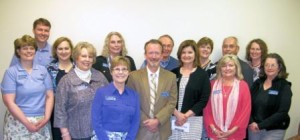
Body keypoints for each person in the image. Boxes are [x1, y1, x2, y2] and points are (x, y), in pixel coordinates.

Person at [1, 35, 54, 139]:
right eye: (25, 48)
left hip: (41, 121)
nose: (29, 51)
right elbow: (9, 102)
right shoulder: (11, 73)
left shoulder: (43, 70)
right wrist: (27, 123)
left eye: (31, 48)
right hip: (18, 122)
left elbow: (50, 96)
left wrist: (47, 117)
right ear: (18, 51)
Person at [54, 42, 109, 139]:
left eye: (90, 56)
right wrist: (65, 134)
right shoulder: (66, 81)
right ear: (76, 57)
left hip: (100, 132)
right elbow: (60, 111)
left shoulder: (100, 77)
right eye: (83, 56)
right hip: (77, 134)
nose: (87, 59)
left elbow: (109, 100)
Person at [127, 39, 177, 140]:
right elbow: (130, 102)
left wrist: (157, 120)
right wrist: (147, 121)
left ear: (162, 55)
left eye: (157, 53)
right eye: (150, 53)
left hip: (161, 129)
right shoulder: (133, 76)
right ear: (145, 55)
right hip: (140, 129)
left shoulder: (171, 77)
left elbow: (172, 102)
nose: (154, 57)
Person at [169, 40, 211, 139]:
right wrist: (177, 114)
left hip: (193, 120)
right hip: (173, 118)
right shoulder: (172, 73)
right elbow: (167, 95)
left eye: (190, 52)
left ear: (195, 54)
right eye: (183, 52)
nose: (186, 55)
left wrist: (185, 116)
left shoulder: (202, 74)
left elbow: (203, 100)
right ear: (179, 55)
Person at [92, 56, 140, 140]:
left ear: (129, 72)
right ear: (111, 72)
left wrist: (129, 138)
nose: (121, 72)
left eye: (124, 69)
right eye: (117, 69)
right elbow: (96, 121)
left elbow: (135, 122)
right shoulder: (101, 93)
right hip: (103, 137)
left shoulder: (134, 95)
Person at [204, 54, 251, 140]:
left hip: (235, 132)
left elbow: (246, 111)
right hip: (215, 132)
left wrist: (232, 130)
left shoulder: (243, 86)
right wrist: (214, 129)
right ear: (220, 69)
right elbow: (207, 109)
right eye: (224, 66)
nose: (227, 68)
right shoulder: (212, 85)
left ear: (236, 68)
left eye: (231, 65)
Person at [248, 53, 292, 140]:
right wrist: (252, 122)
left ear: (279, 67)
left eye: (273, 65)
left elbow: (282, 112)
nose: (269, 67)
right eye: (267, 65)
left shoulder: (284, 86)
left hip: (274, 130)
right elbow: (247, 104)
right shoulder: (258, 83)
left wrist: (260, 126)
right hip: (254, 128)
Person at [47, 37, 74, 140]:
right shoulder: (49, 69)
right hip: (56, 116)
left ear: (71, 50)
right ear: (55, 50)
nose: (63, 52)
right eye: (60, 49)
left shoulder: (80, 67)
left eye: (66, 48)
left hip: (76, 115)